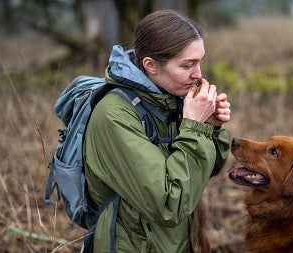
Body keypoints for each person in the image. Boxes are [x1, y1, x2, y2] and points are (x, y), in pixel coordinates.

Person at [83, 9, 231, 252]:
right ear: (150, 65)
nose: (198, 75)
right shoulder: (114, 116)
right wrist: (194, 128)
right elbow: (169, 204)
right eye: (188, 65)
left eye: (200, 61)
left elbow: (207, 172)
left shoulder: (171, 96)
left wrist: (210, 127)